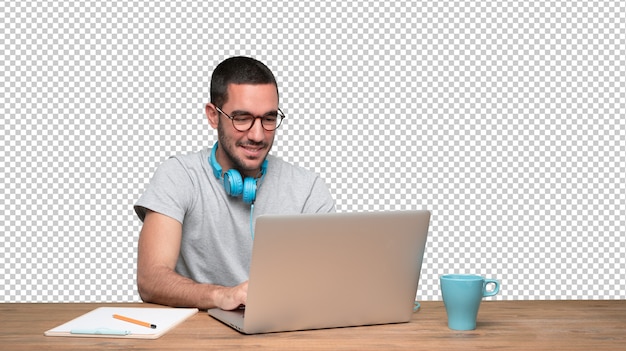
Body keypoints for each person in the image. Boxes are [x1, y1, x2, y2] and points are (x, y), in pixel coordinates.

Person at [134, 56, 336, 310]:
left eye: (269, 119)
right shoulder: (178, 175)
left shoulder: (308, 188)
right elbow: (150, 280)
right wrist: (222, 296)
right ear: (213, 116)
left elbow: (331, 281)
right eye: (242, 118)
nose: (258, 134)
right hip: (198, 336)